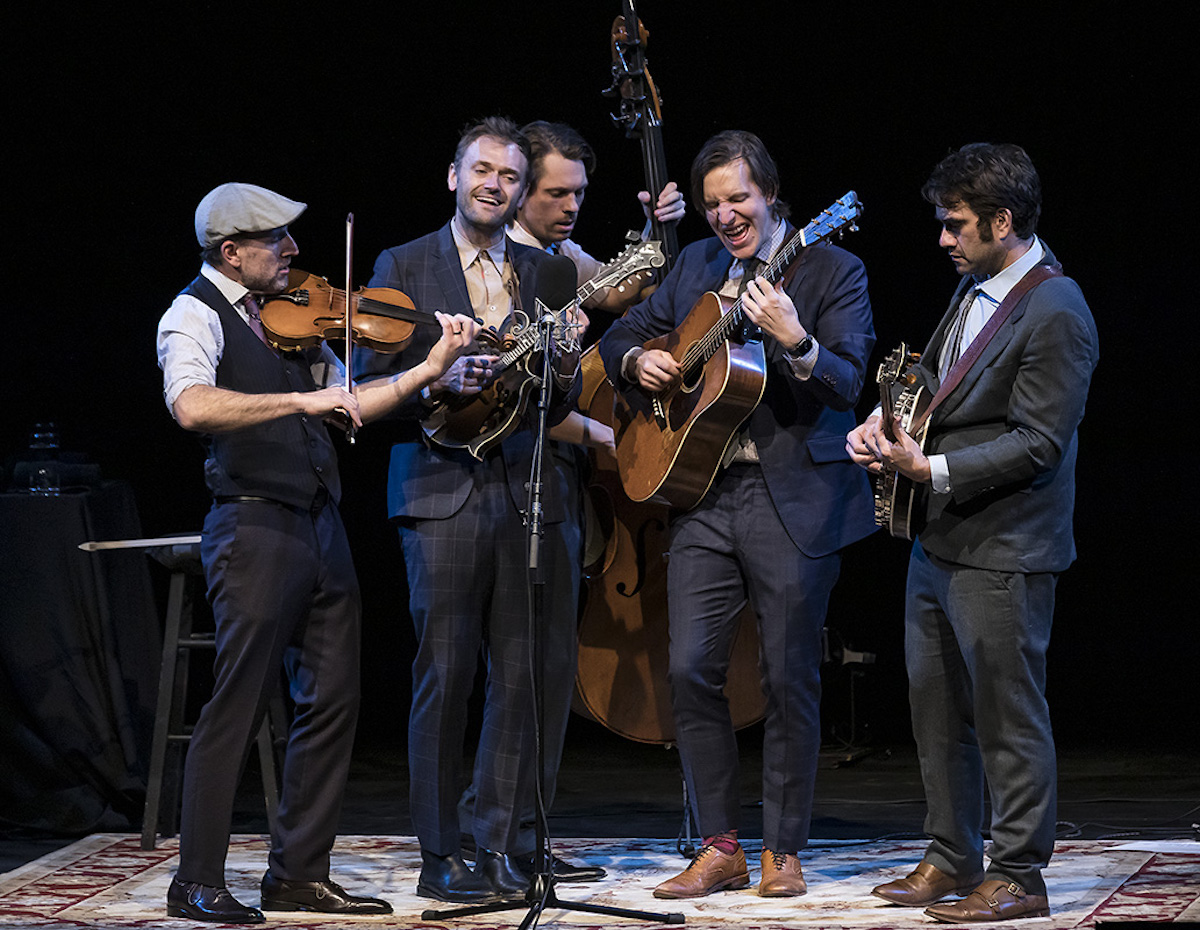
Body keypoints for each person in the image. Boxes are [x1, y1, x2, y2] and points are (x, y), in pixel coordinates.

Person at [156, 182, 478, 924]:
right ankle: (195, 880)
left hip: (319, 523)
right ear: (231, 252)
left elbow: (353, 401)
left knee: (333, 700)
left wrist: (430, 371)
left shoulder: (291, 320)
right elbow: (192, 406)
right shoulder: (191, 315)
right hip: (253, 527)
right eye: (277, 240)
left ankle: (298, 873)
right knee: (237, 703)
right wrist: (304, 402)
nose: (294, 251)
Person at [598, 130, 877, 899]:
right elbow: (625, 329)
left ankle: (782, 850)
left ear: (772, 195)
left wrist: (795, 340)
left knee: (788, 676)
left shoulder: (832, 267)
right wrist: (636, 361)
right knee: (689, 668)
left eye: (738, 200)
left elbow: (848, 383)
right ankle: (720, 847)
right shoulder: (695, 265)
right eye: (714, 203)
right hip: (701, 496)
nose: (725, 216)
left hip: (792, 500)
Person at [846, 143, 1098, 922]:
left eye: (956, 225)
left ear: (1003, 221)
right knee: (935, 707)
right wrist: (880, 422)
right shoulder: (977, 287)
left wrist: (933, 472)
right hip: (940, 541)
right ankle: (952, 854)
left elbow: (1039, 442)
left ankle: (1018, 871)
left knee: (1006, 715)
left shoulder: (1057, 309)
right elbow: (937, 387)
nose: (944, 240)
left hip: (1006, 548)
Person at [354, 116, 581, 904]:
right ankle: (439, 852)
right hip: (440, 491)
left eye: (509, 177)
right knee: (443, 677)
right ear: (454, 177)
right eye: (481, 170)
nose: (494, 185)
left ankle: (500, 846)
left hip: (526, 489)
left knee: (521, 679)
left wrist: (562, 354)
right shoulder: (403, 263)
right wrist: (434, 376)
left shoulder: (544, 271)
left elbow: (570, 395)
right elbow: (364, 388)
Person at [454, 120, 686, 884]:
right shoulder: (501, 267)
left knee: (544, 673)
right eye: (556, 191)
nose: (570, 205)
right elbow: (513, 394)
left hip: (552, 492)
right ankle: (483, 834)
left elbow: (632, 287)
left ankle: (525, 831)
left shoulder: (562, 263)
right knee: (499, 671)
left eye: (579, 193)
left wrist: (662, 229)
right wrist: (602, 435)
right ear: (518, 188)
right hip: (492, 480)